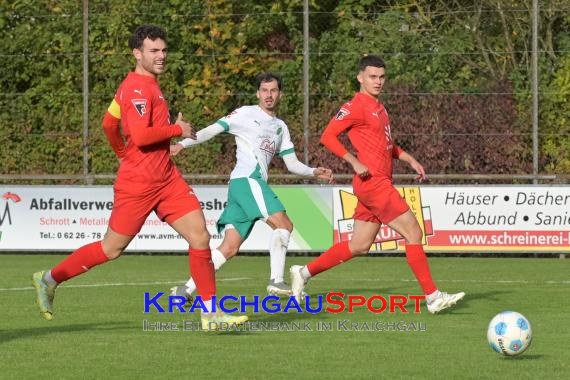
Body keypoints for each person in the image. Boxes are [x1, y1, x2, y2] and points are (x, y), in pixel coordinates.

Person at [31, 24, 247, 330]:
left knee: (200, 236)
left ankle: (211, 313)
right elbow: (143, 137)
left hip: (167, 179)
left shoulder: (146, 84)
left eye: (163, 50)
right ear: (137, 53)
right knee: (111, 249)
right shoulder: (137, 88)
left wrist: (123, 151)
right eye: (153, 51)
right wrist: (177, 131)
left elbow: (109, 124)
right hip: (139, 183)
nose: (161, 56)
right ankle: (49, 278)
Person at [289, 55, 465, 314]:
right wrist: (353, 162)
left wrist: (409, 159)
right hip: (373, 184)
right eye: (373, 76)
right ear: (360, 78)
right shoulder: (356, 106)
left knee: (359, 245)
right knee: (414, 233)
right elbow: (327, 136)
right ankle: (433, 297)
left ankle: (303, 272)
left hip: (376, 183)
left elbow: (387, 145)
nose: (378, 81)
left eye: (382, 77)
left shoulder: (380, 108)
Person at [169, 72, 333, 303]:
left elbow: (292, 164)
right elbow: (213, 129)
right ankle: (276, 281)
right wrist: (183, 144)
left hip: (242, 186)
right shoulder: (245, 113)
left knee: (229, 247)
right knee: (283, 224)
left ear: (280, 94)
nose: (269, 95)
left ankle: (185, 289)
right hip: (247, 180)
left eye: (273, 91)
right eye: (264, 91)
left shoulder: (280, 127)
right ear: (257, 93)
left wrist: (313, 171)